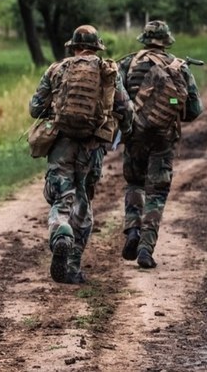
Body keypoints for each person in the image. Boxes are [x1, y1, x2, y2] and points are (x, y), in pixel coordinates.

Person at [29, 25, 133, 284]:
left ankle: (60, 231)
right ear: (96, 47)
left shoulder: (57, 69)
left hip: (61, 144)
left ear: (74, 47)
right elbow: (126, 108)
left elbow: (34, 107)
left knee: (61, 198)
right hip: (93, 146)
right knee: (83, 200)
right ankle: (73, 266)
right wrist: (125, 135)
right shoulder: (108, 71)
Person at [117, 21, 202, 269]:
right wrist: (169, 114)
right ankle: (146, 247)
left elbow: (118, 102)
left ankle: (132, 230)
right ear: (167, 42)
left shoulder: (128, 64)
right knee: (157, 193)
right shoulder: (179, 66)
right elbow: (194, 109)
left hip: (134, 137)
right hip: (164, 139)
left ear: (144, 39)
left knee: (134, 183)